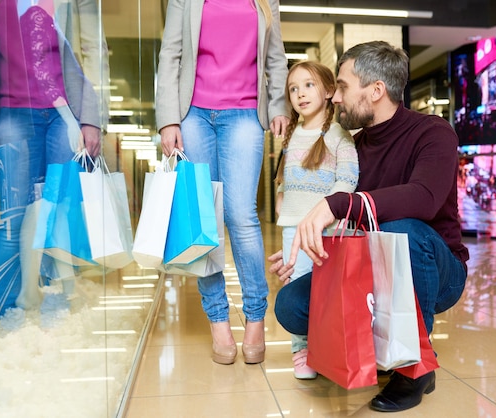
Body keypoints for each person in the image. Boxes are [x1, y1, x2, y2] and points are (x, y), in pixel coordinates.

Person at [270, 40, 470, 412]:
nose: (335, 98)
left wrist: (339, 203)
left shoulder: (433, 133)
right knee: (290, 306)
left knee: (405, 229)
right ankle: (375, 346)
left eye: (343, 87)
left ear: (376, 90)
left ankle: (415, 368)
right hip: (371, 270)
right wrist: (308, 241)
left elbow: (423, 198)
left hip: (436, 270)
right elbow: (347, 224)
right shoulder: (352, 147)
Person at [155, 0, 289, 365]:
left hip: (246, 114)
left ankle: (256, 316)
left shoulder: (266, 1)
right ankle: (218, 319)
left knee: (241, 215)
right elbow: (170, 55)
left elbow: (276, 59)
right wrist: (168, 119)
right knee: (205, 218)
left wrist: (278, 106)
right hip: (194, 115)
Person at [0, 0, 109, 308]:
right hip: (12, 114)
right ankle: (20, 293)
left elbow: (94, 50)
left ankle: (64, 292)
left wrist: (92, 116)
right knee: (17, 208)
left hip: (64, 115)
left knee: (60, 203)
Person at [274, 60, 359, 379]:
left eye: (308, 85)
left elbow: (348, 177)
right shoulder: (292, 134)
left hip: (331, 230)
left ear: (328, 91)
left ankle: (331, 345)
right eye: (293, 88)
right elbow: (287, 177)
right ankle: (302, 350)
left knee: (329, 291)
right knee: (297, 286)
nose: (300, 93)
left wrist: (326, 212)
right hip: (293, 231)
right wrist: (282, 200)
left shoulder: (339, 135)